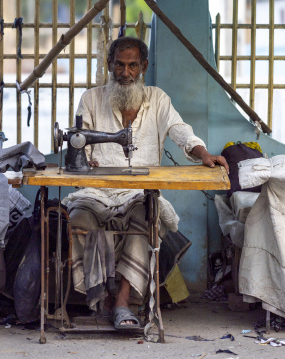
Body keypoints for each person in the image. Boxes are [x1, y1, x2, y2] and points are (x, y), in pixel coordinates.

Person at [64, 36, 228, 330]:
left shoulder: (158, 100)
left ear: (144, 66)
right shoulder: (91, 99)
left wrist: (202, 153)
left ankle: (123, 301)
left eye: (132, 66)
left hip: (139, 193)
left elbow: (180, 131)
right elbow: (81, 144)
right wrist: (86, 160)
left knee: (146, 217)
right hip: (95, 191)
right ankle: (99, 299)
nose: (125, 73)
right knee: (78, 218)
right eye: (119, 65)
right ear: (110, 65)